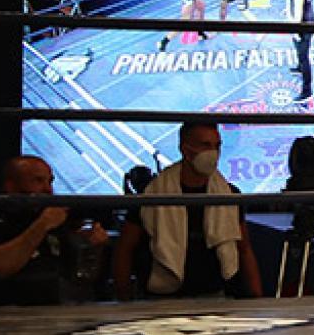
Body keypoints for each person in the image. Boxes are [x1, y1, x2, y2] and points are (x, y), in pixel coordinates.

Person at [110, 122, 262, 298]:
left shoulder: (229, 194)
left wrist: (257, 298)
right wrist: (124, 299)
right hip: (161, 299)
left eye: (217, 146)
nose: (213, 152)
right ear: (185, 150)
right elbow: (125, 248)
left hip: (214, 296)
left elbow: (244, 249)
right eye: (205, 145)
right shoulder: (152, 194)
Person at [0, 155, 108, 306]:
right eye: (38, 181)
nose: (48, 189)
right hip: (4, 309)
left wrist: (92, 248)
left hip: (55, 309)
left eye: (50, 181)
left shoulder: (58, 222)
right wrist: (42, 225)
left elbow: (80, 278)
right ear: (11, 186)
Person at [286, 0, 314, 100]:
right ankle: (299, 67)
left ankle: (307, 90)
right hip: (309, 20)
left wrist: (295, 28)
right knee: (301, 52)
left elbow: (298, 8)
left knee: (304, 56)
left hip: (302, 24)